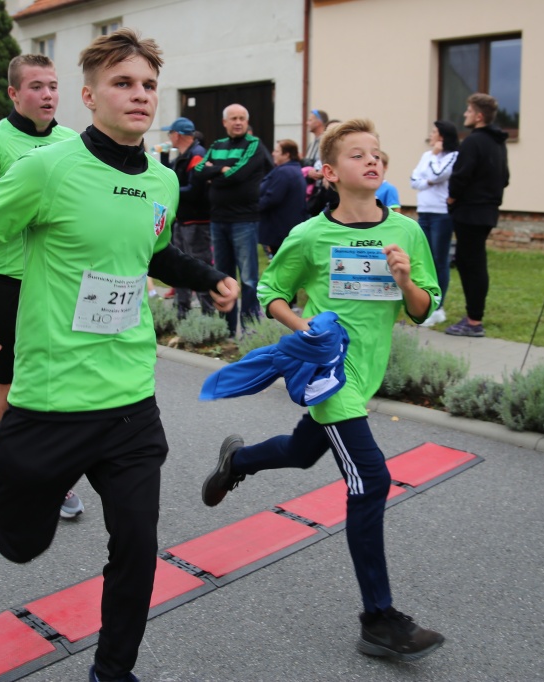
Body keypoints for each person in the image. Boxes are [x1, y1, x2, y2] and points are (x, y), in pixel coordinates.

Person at [0, 29, 239, 682]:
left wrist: (207, 277)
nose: (139, 95)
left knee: (137, 547)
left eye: (148, 84)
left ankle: (111, 672)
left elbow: (151, 252)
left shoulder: (162, 178)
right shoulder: (49, 168)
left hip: (130, 400)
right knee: (22, 545)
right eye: (123, 83)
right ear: (90, 96)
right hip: (52, 400)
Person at [201, 119, 445, 663]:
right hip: (331, 374)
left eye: (376, 153)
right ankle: (379, 620)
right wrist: (303, 326)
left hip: (369, 371)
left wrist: (406, 282)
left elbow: (424, 308)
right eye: (358, 155)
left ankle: (238, 461)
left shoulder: (405, 232)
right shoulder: (310, 235)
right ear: (330, 172)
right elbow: (272, 290)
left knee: (302, 449)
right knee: (371, 479)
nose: (372, 160)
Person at [0, 53, 85, 518]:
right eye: (36, 86)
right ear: (13, 93)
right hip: (6, 281)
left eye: (53, 86)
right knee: (7, 390)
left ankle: (54, 479)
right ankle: (6, 470)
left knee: (60, 386)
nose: (47, 95)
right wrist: (25, 211)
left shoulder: (72, 142)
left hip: (59, 284)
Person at [193, 103, 274, 336]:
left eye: (242, 118)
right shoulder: (217, 145)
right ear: (224, 122)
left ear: (246, 122)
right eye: (233, 118)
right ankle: (226, 330)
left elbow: (239, 175)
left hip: (244, 220)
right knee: (222, 277)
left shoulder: (254, 144)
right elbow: (197, 172)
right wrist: (223, 170)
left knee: (248, 279)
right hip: (218, 219)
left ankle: (249, 331)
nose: (238, 122)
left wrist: (215, 171)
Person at [445, 93, 510, 338]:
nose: (465, 114)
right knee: (471, 261)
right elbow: (505, 178)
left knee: (471, 264)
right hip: (488, 211)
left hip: (470, 212)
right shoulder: (498, 142)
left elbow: (460, 176)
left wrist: (452, 198)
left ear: (479, 116)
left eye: (469, 111)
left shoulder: (473, 141)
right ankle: (474, 317)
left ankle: (474, 322)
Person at [160, 116, 214, 318]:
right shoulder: (185, 155)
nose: (169, 137)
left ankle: (209, 315)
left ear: (177, 135)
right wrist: (164, 156)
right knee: (179, 266)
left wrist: (171, 191)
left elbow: (195, 190)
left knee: (199, 266)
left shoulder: (197, 155)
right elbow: (169, 176)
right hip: (183, 219)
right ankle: (182, 310)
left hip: (196, 221)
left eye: (170, 133)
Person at [410, 120, 460, 327]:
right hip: (424, 212)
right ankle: (427, 302)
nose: (430, 135)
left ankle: (438, 308)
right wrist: (428, 181)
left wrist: (430, 173)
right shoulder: (427, 155)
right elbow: (414, 180)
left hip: (441, 213)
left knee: (439, 260)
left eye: (434, 132)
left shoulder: (453, 156)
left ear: (443, 136)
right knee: (424, 259)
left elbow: (437, 175)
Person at [258, 138, 308, 257]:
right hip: (288, 226)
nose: (273, 154)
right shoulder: (294, 169)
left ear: (286, 155)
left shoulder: (284, 172)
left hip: (280, 229)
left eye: (277, 151)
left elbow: (272, 198)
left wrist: (252, 207)